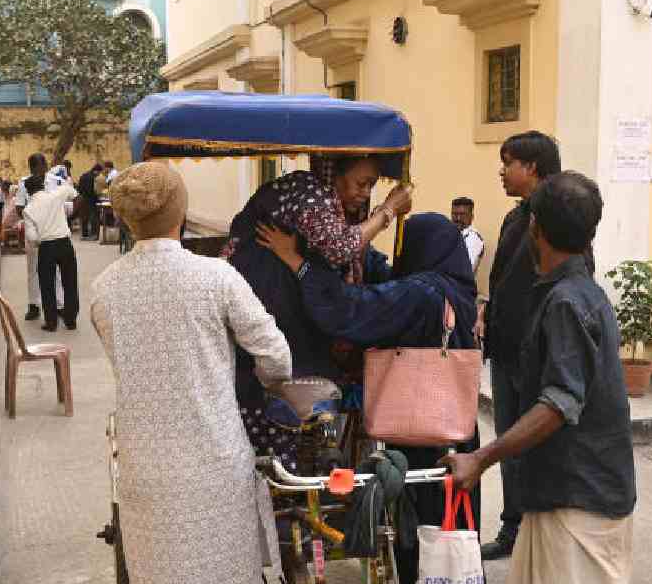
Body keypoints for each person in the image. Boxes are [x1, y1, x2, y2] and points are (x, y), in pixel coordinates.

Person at [91, 162, 291, 584]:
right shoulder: (215, 277)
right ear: (181, 212)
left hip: (144, 469)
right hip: (214, 467)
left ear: (126, 219)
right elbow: (276, 355)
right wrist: (269, 383)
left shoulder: (105, 288)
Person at [258, 212, 480, 584]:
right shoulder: (455, 288)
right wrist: (362, 228)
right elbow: (387, 279)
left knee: (424, 535)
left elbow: (350, 310)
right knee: (450, 537)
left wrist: (299, 263)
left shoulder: (424, 293)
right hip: (452, 434)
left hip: (421, 436)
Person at [441, 172, 635, 584]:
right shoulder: (571, 292)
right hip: (556, 494)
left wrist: (480, 458)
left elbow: (559, 403)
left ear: (535, 229)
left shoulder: (568, 301)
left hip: (579, 500)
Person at [224, 155, 411, 470]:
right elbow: (340, 246)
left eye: (371, 186)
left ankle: (293, 473)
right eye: (360, 183)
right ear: (333, 173)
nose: (365, 193)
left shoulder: (318, 198)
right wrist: (387, 211)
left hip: (281, 304)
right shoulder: (309, 193)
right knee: (276, 387)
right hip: (269, 303)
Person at [478, 130, 571, 560]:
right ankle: (514, 526)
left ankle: (533, 529)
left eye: (508, 161)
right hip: (507, 346)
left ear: (531, 167)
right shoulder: (518, 215)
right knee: (510, 437)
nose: (502, 170)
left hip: (532, 352)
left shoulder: (556, 214)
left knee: (529, 442)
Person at [19, 153, 66, 323]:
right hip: (33, 232)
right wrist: (34, 215)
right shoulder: (24, 183)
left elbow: (68, 201)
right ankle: (34, 305)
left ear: (46, 166)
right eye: (35, 168)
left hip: (53, 233)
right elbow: (19, 207)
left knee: (57, 271)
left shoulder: (56, 180)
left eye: (42, 167)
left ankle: (60, 305)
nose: (39, 171)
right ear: (30, 168)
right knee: (33, 270)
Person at [451, 197, 484, 276]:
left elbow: (463, 270)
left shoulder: (473, 238)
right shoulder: (450, 233)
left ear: (471, 217)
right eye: (455, 214)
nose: (458, 218)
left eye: (463, 215)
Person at [78, 163, 103, 240]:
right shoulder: (92, 177)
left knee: (84, 217)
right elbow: (91, 191)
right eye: (99, 172)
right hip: (90, 199)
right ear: (96, 171)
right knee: (93, 216)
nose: (99, 174)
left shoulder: (83, 175)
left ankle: (84, 234)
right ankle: (93, 234)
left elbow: (79, 188)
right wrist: (97, 198)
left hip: (83, 198)